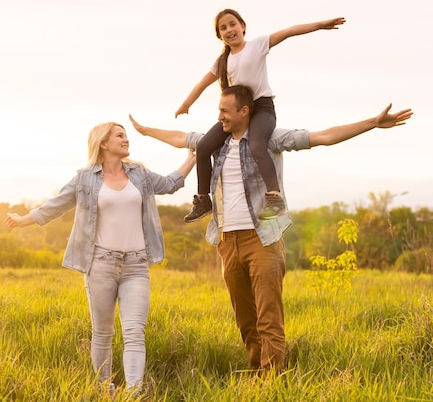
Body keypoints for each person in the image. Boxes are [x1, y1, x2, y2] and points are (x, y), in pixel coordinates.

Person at [131, 85, 412, 374]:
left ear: (244, 111)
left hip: (262, 238)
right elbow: (181, 138)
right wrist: (147, 131)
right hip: (227, 241)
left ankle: (272, 379)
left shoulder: (269, 139)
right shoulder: (216, 142)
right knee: (245, 318)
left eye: (225, 111)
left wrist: (373, 123)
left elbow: (324, 136)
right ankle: (257, 374)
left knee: (268, 316)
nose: (220, 117)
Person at [4, 122, 196, 395]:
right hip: (100, 265)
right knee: (103, 334)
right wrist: (23, 219)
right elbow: (55, 205)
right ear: (103, 143)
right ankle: (105, 390)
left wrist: (191, 157)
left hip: (136, 265)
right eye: (120, 135)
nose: (126, 139)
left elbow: (169, 184)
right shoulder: (85, 179)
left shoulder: (139, 174)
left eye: (126, 135)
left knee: (134, 332)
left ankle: (134, 392)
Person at [177, 9, 346, 223]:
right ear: (220, 35)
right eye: (223, 28)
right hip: (238, 113)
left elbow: (288, 32)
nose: (229, 30)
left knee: (257, 144)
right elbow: (203, 82)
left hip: (262, 109)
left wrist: (320, 25)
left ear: (243, 26)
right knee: (202, 147)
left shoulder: (257, 45)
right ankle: (203, 200)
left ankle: (275, 198)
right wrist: (186, 104)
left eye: (232, 24)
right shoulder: (223, 61)